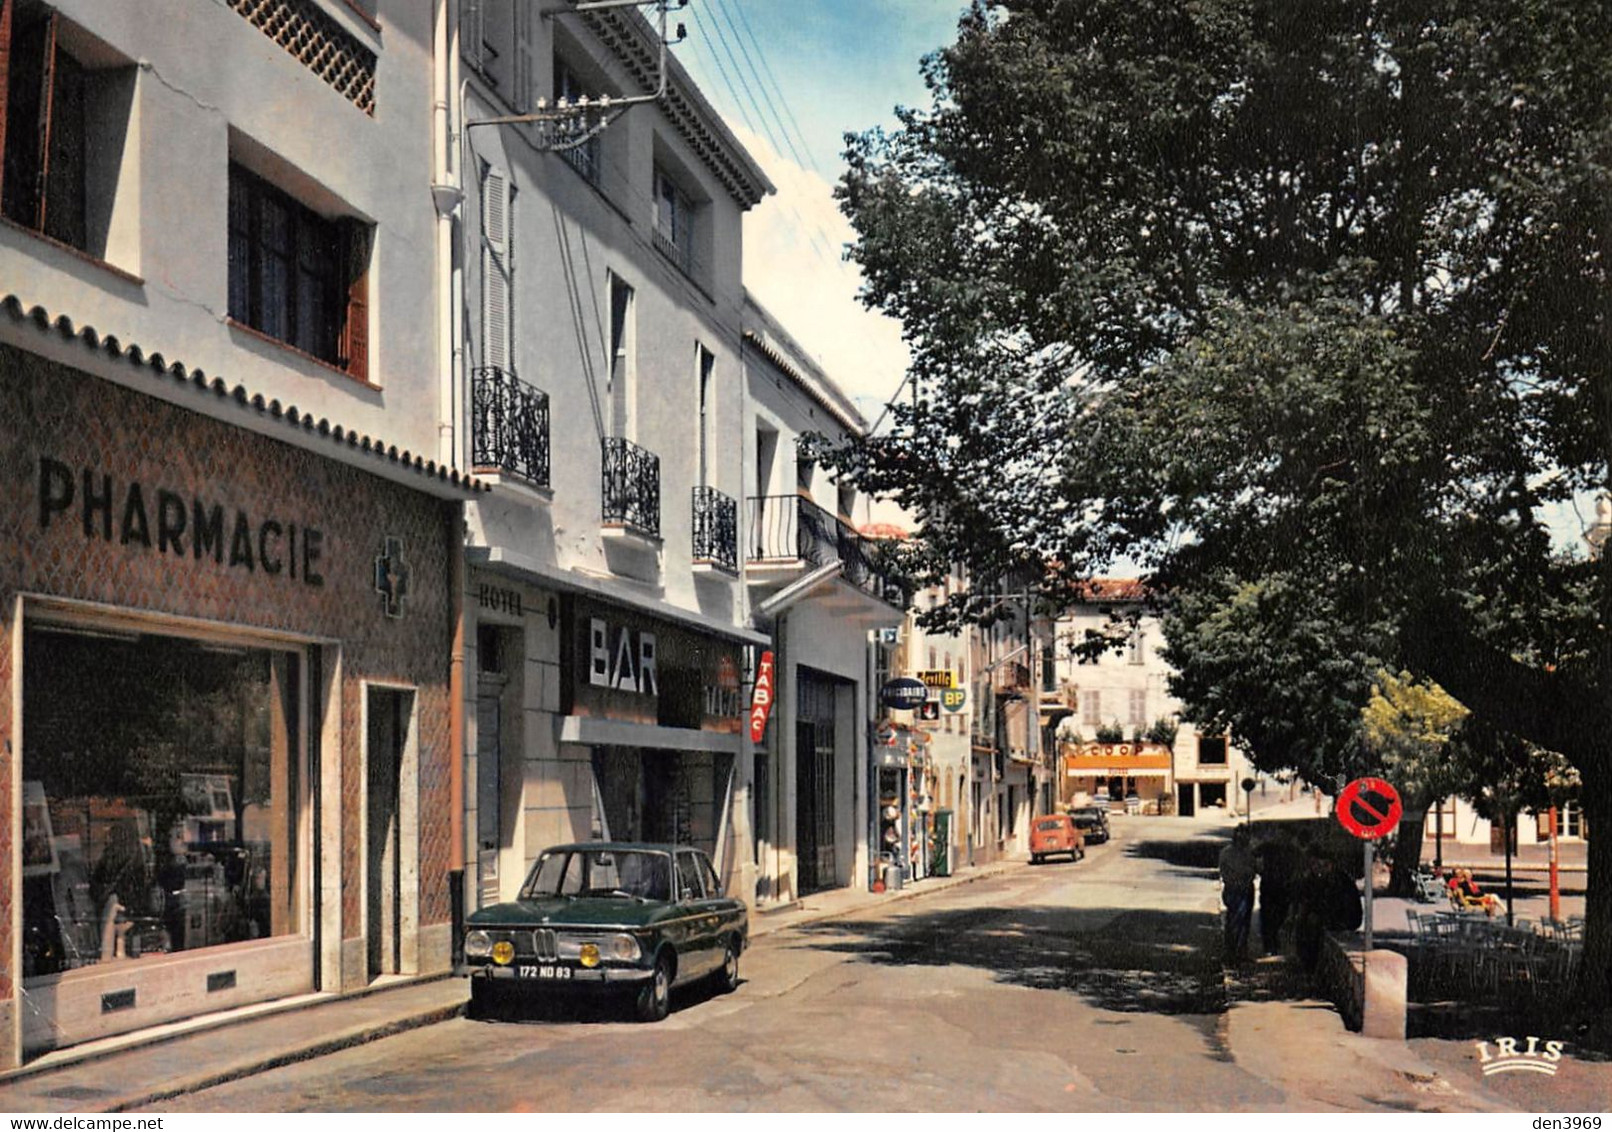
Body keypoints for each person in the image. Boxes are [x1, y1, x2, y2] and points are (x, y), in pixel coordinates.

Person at [1218, 826, 1257, 964]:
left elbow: (1254, 870)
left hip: (1246, 889)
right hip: (1233, 890)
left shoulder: (1250, 852)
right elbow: (1224, 872)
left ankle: (1241, 951)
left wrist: (1247, 879)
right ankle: (1230, 951)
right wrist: (1235, 881)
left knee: (1244, 922)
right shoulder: (1227, 853)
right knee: (1233, 920)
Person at [1255, 833, 1298, 954]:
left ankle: (1274, 940)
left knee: (1280, 915)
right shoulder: (1268, 847)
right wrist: (1259, 870)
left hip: (1283, 887)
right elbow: (1253, 855)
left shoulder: (1292, 850)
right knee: (1267, 917)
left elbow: (1298, 865)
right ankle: (1269, 944)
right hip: (1269, 885)